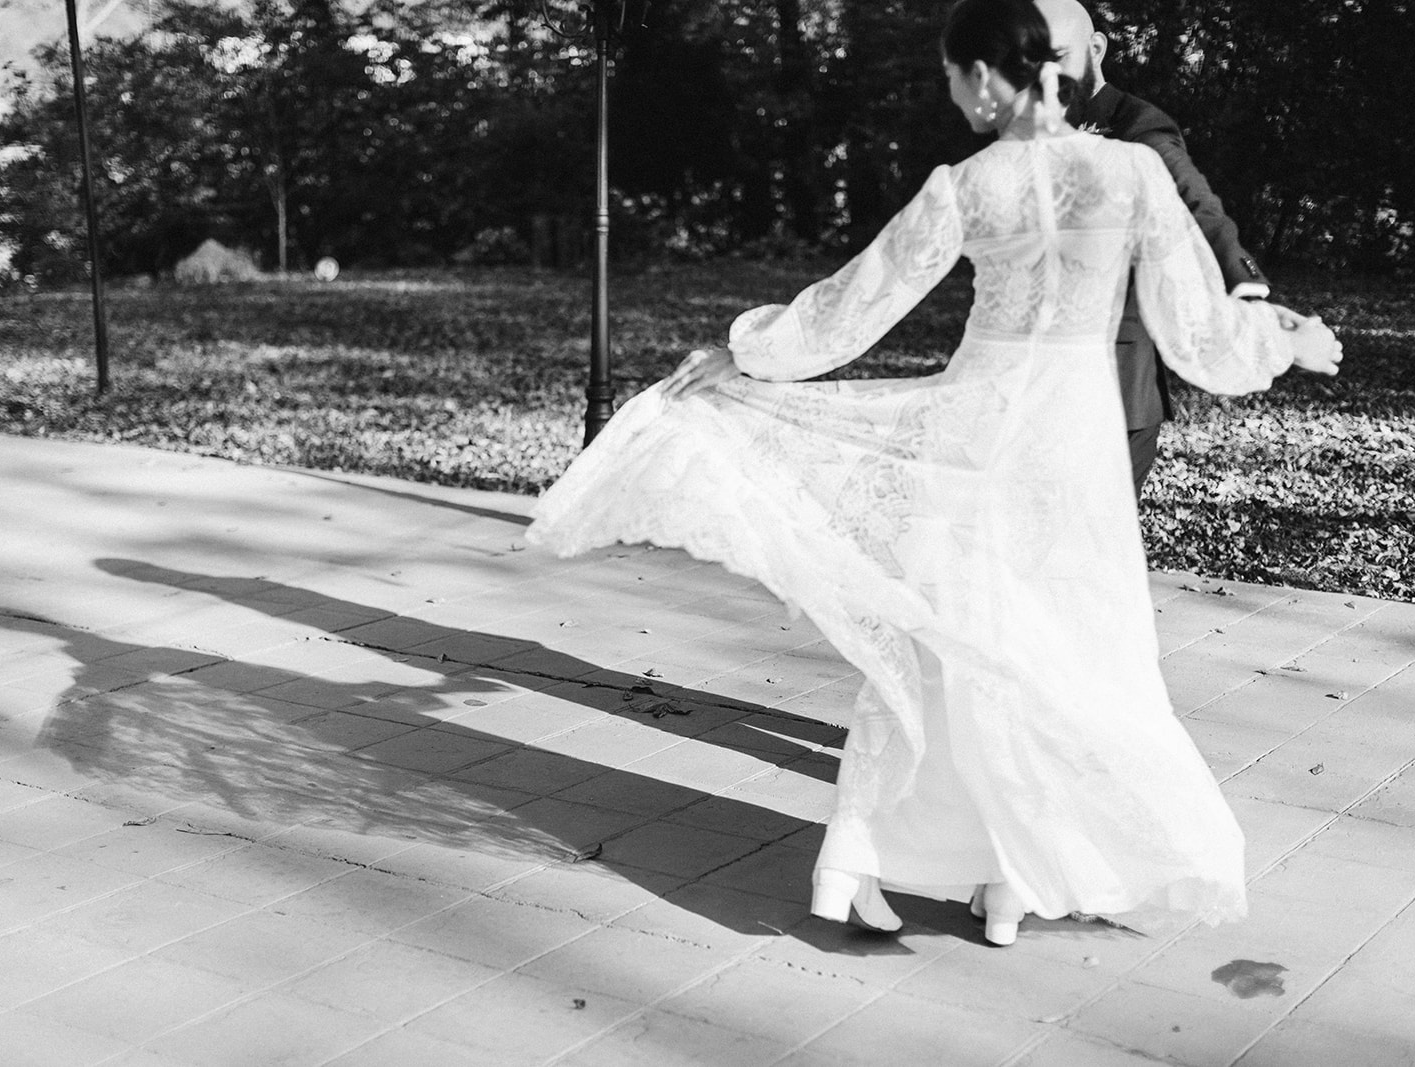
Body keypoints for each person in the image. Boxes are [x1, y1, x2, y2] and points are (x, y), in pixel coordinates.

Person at [527, 0, 1341, 946]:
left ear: (988, 75)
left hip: (979, 422)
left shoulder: (965, 186)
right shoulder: (1131, 174)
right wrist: (1278, 341)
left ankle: (864, 864)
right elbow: (1195, 327)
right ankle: (1007, 881)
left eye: (953, 75)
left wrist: (746, 352)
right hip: (1073, 436)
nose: (951, 93)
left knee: (948, 641)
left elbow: (850, 306)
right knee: (1062, 640)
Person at [1036, 0, 1300, 495]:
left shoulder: (1137, 124)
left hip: (1115, 381)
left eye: (1058, 56)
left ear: (1095, 49)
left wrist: (1240, 278)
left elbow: (1191, 197)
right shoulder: (1033, 128)